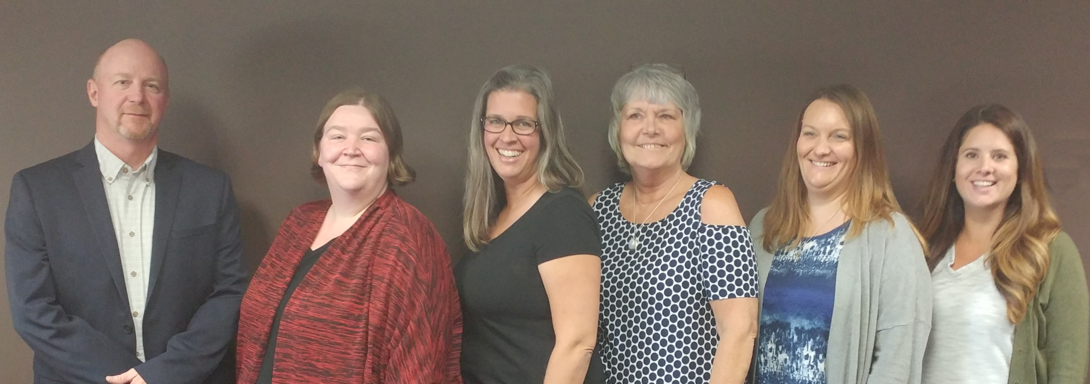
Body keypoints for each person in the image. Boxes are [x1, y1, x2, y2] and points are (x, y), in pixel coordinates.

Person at [5, 38, 248, 384]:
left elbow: (230, 293)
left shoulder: (210, 189)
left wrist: (161, 374)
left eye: (152, 85)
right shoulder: (37, 190)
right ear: (94, 92)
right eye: (122, 82)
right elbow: (33, 310)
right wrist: (127, 376)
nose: (137, 96)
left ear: (165, 99)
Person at [235, 88, 463, 383]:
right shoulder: (299, 223)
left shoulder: (407, 237)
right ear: (319, 151)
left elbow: (419, 367)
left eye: (368, 137)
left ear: (390, 153)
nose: (351, 148)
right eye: (338, 136)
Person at [749, 84, 931, 384]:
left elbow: (897, 358)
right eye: (810, 133)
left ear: (863, 148)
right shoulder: (764, 227)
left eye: (839, 136)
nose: (821, 148)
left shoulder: (889, 236)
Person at [590, 63, 758, 383]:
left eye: (666, 115)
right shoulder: (597, 209)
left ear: (687, 129)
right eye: (635, 115)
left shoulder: (712, 204)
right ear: (618, 129)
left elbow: (740, 330)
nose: (650, 128)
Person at [455, 65, 604, 383]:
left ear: (544, 132)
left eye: (523, 123)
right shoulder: (494, 216)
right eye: (495, 121)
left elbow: (577, 344)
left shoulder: (563, 214)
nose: (507, 136)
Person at [918, 104, 1089, 384]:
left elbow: (1067, 369)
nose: (984, 167)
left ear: (1021, 170)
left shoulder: (1051, 250)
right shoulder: (925, 250)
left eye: (1000, 156)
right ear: (954, 168)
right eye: (971, 155)